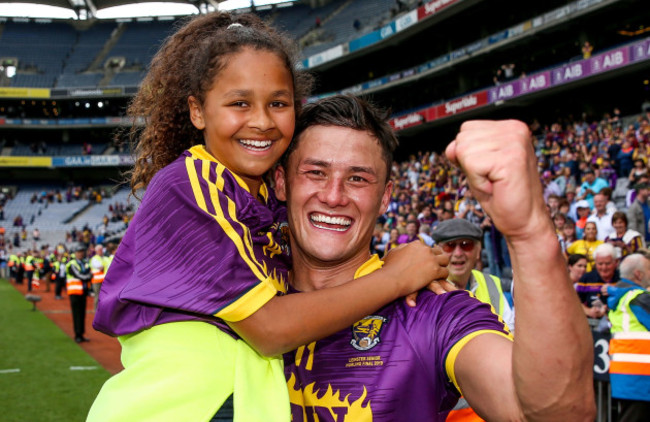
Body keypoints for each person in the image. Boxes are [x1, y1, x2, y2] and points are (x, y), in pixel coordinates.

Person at [88, 13, 443, 422]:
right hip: (184, 408)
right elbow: (269, 329)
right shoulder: (192, 185)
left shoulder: (267, 196)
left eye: (278, 103)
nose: (261, 120)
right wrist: (396, 278)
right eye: (240, 103)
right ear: (197, 111)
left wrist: (394, 262)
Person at [278, 95, 594, 421]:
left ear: (385, 197)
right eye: (315, 172)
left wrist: (530, 233)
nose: (333, 196)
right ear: (280, 182)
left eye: (357, 178)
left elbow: (556, 415)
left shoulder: (435, 309)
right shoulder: (238, 298)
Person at [604, 252, 650, 421]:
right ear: (639, 274)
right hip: (641, 379)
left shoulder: (621, 298)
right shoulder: (639, 298)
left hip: (628, 378)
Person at [575, 243, 619, 319]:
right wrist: (588, 311)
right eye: (600, 264)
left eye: (608, 264)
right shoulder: (586, 279)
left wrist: (616, 290)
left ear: (616, 262)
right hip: (593, 323)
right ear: (595, 263)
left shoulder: (624, 278)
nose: (604, 268)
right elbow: (576, 302)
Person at [66, 245, 91, 343]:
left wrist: (87, 275)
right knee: (76, 314)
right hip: (74, 292)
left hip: (83, 292)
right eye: (79, 252)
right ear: (75, 253)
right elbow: (79, 275)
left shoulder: (84, 263)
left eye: (82, 251)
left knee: (82, 314)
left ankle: (81, 333)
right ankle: (77, 334)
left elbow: (90, 273)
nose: (80, 253)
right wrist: (87, 276)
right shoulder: (72, 264)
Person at [89, 244, 106, 311]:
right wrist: (105, 265)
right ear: (96, 251)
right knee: (97, 296)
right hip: (97, 281)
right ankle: (96, 310)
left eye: (102, 249)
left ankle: (101, 309)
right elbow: (101, 267)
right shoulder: (94, 258)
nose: (101, 251)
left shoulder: (104, 258)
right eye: (100, 250)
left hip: (103, 280)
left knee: (103, 296)